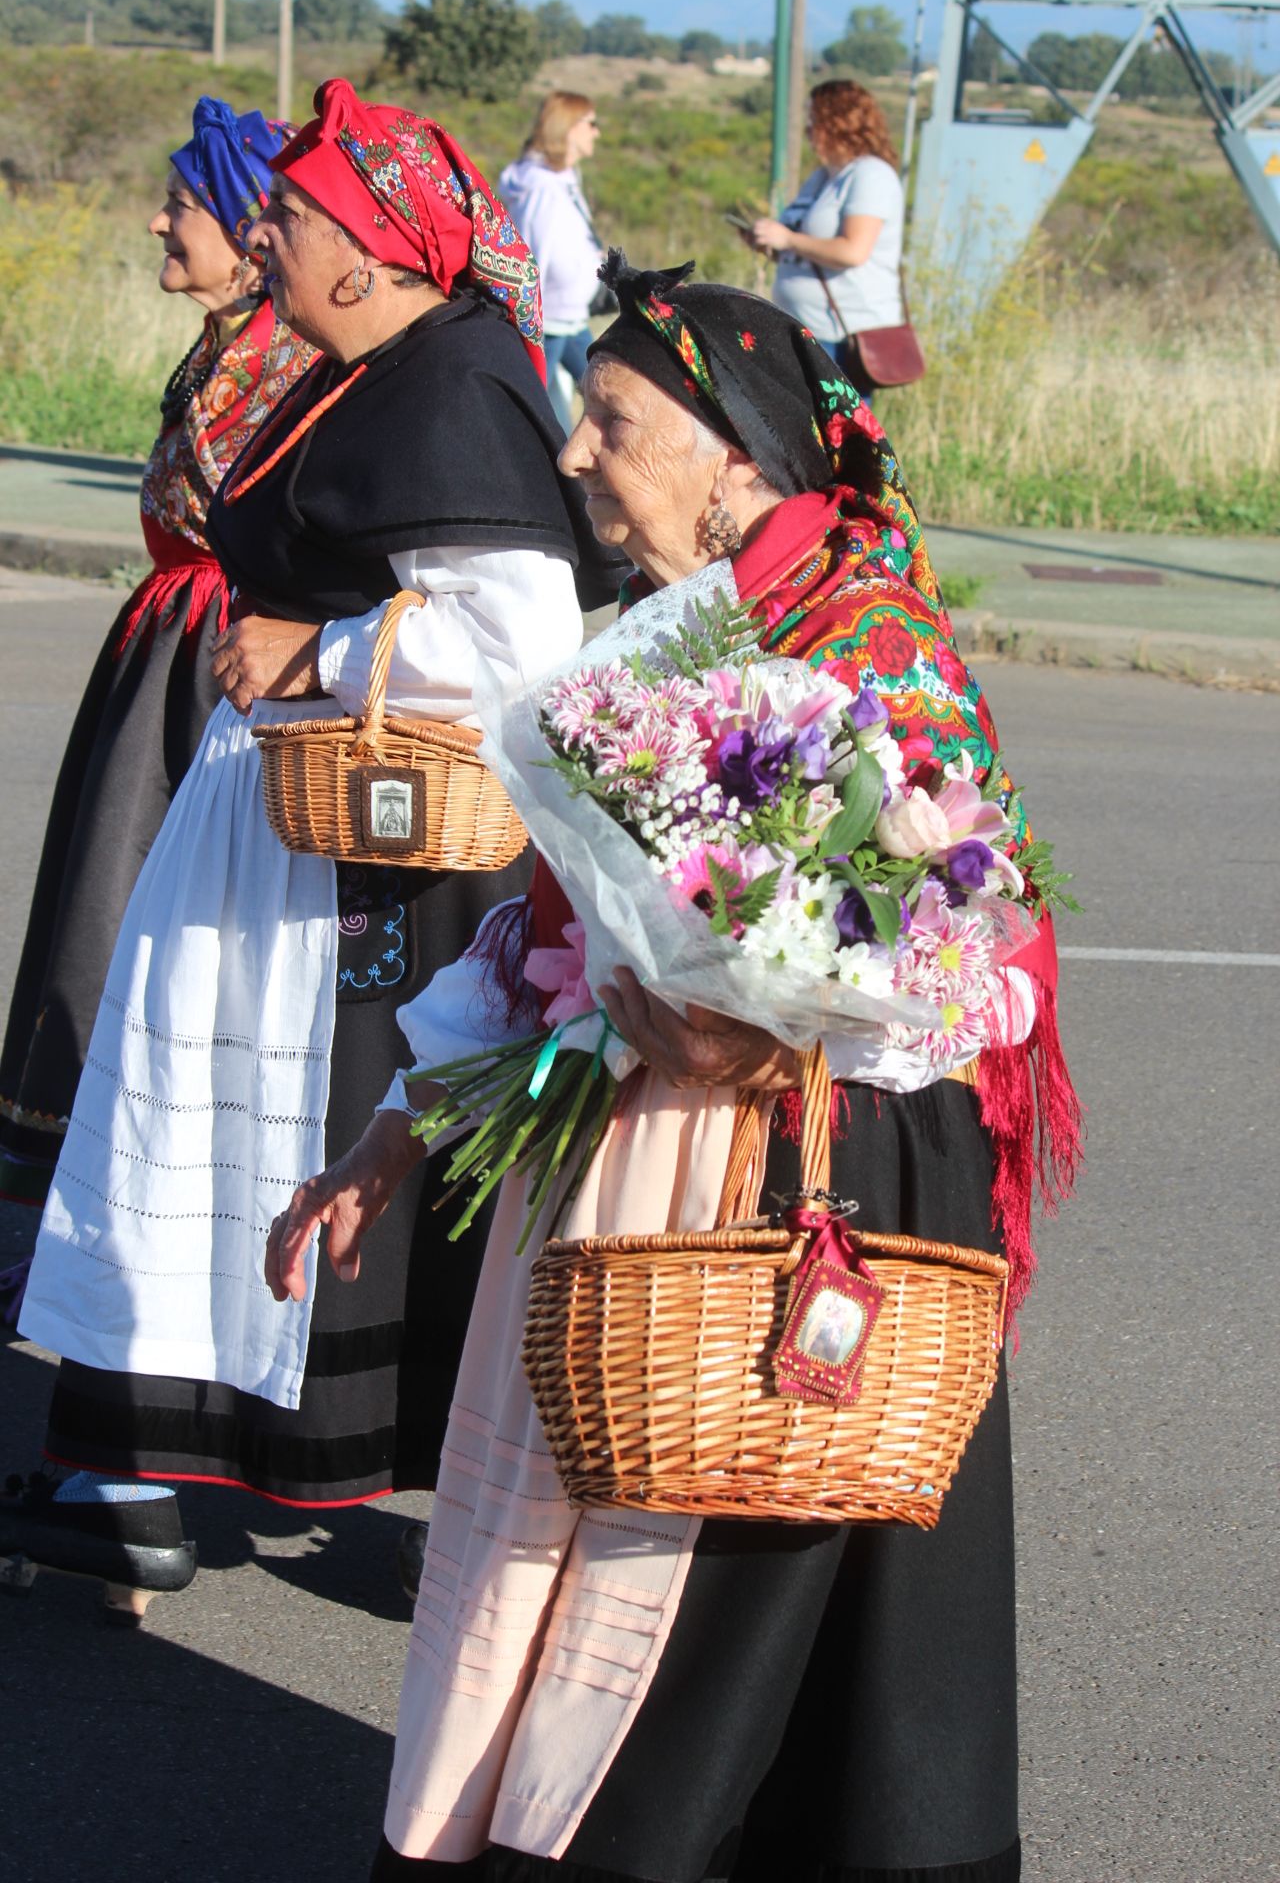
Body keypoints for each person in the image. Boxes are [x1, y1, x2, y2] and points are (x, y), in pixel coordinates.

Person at [267, 254, 1081, 1881]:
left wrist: (765, 1019)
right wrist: (394, 1133)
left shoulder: (881, 647)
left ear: (741, 458)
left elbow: (976, 954)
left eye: (614, 425)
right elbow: (549, 937)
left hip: (807, 1187)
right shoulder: (661, 639)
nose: (575, 458)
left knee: (726, 1604)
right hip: (636, 1174)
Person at [9, 81, 618, 1605]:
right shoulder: (370, 369)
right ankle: (127, 1465)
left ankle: (275, 1476)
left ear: (373, 249)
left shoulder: (452, 381)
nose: (261, 235)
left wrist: (324, 649)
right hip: (284, 828)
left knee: (311, 1154)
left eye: (290, 217)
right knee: (198, 1123)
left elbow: (520, 649)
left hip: (376, 858)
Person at [0, 98, 313, 1215]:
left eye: (180, 204)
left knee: (141, 900)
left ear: (244, 231)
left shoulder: (286, 361)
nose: (154, 222)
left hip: (210, 665)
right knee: (101, 888)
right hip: (165, 645)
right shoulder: (228, 345)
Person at [752, 78, 905, 397]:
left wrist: (788, 240)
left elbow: (853, 251)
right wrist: (771, 243)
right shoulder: (822, 178)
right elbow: (803, 245)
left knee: (838, 435)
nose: (809, 132)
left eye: (815, 122)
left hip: (840, 337)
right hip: (800, 326)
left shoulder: (870, 176)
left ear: (838, 124)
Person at [501, 92, 603, 432]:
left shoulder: (563, 179)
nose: (596, 132)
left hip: (570, 317)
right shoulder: (541, 187)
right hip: (548, 324)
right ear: (569, 128)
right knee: (551, 422)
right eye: (591, 123)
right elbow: (533, 255)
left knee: (607, 392)